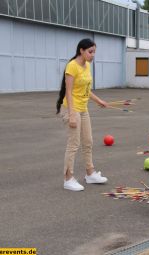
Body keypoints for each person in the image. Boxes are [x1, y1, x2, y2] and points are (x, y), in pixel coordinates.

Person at [56, 38, 108, 191]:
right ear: (81, 51)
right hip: (72, 109)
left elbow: (86, 90)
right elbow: (69, 92)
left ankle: (90, 174)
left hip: (83, 109)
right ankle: (68, 178)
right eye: (90, 52)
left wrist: (99, 100)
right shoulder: (72, 66)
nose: (93, 55)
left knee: (88, 141)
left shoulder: (86, 66)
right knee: (74, 144)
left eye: (94, 52)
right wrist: (72, 114)